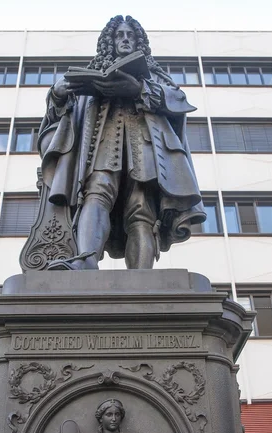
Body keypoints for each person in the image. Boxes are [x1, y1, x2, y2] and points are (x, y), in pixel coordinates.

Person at [37, 15, 206, 270]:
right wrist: (58, 94)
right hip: (102, 144)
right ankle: (86, 261)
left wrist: (138, 89)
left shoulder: (153, 75)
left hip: (146, 146)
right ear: (110, 41)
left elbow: (178, 100)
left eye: (131, 35)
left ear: (139, 42)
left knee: (141, 209)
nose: (125, 39)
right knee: (96, 194)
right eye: (119, 35)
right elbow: (65, 111)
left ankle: (142, 276)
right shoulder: (94, 70)